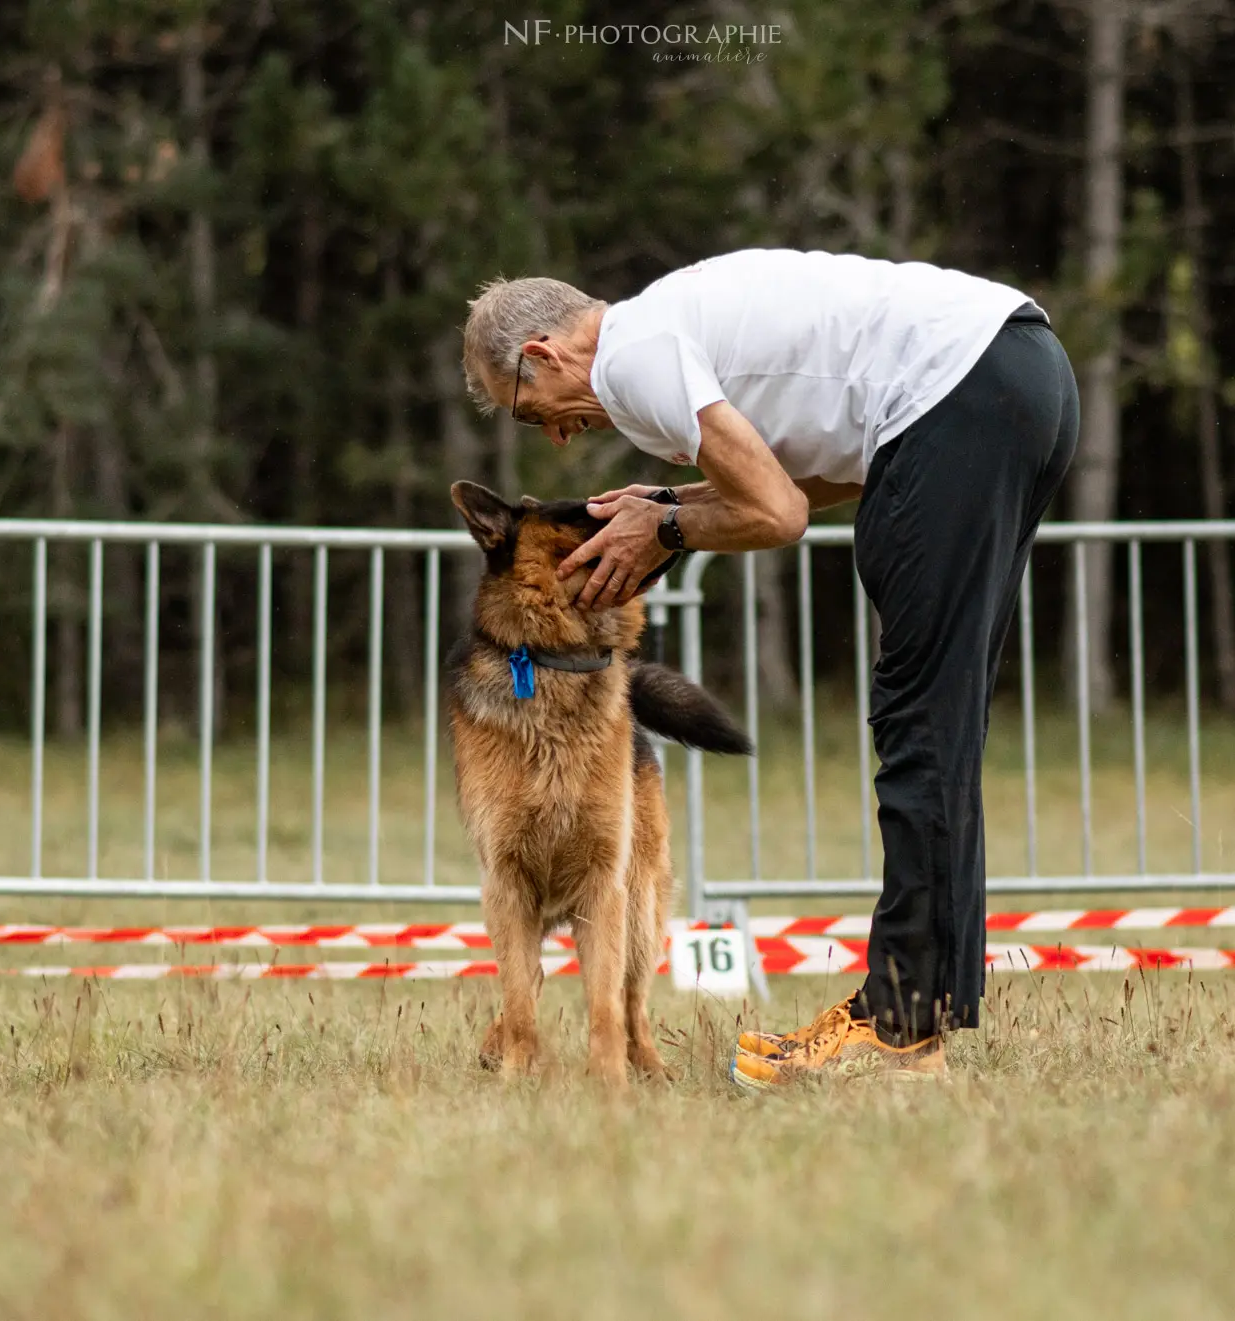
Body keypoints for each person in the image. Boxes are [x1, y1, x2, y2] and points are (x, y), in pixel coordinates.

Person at [459, 248, 1079, 1089]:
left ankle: (897, 1023)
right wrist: (672, 509)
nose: (559, 435)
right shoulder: (662, 326)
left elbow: (777, 513)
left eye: (532, 413)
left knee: (919, 721)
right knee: (944, 720)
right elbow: (810, 478)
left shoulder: (634, 360)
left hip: (957, 391)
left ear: (541, 354)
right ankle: (923, 1015)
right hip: (1019, 368)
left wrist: (668, 528)